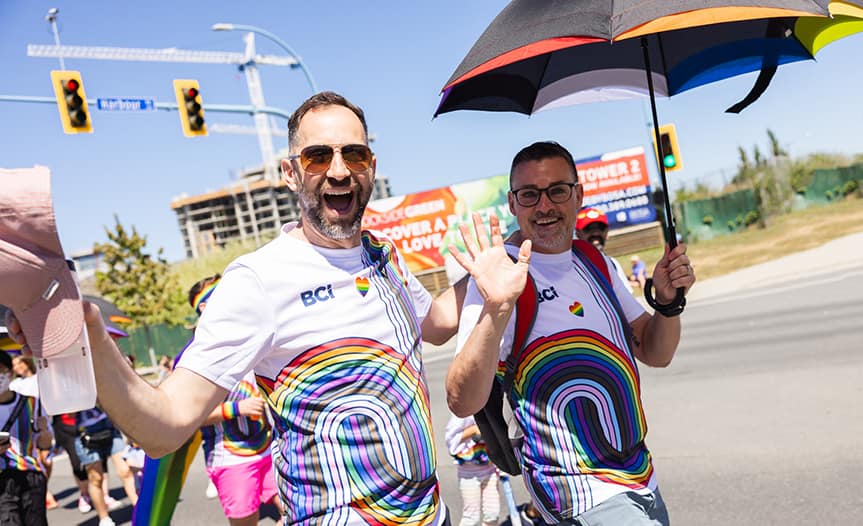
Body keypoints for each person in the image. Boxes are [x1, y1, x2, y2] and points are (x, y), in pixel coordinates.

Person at [6, 91, 470, 525]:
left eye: (354, 154)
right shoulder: (258, 280)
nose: (339, 171)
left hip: (432, 515)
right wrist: (91, 335)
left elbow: (437, 324)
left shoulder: (383, 254)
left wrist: (490, 270)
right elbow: (165, 426)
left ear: (371, 165)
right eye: (317, 156)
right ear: (290, 173)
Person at [446, 141, 696, 525]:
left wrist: (667, 303)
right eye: (529, 194)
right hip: (576, 489)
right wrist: (496, 309)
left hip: (639, 475)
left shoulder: (597, 262)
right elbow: (461, 401)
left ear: (578, 195)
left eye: (557, 190)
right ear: (512, 204)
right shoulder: (499, 277)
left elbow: (655, 352)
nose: (544, 205)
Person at [187, 274, 281, 525]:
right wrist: (237, 408)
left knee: (295, 512)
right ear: (204, 307)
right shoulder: (197, 357)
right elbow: (190, 416)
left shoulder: (252, 339)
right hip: (231, 461)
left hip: (269, 451)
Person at [0, 351, 53, 526]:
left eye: (0, 370)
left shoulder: (31, 403)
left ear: (10, 372)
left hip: (31, 473)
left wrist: (44, 431)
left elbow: (44, 444)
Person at [75, 407, 139, 526]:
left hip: (109, 426)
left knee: (126, 471)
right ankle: (104, 518)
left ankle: (140, 511)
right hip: (85, 432)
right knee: (96, 478)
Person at [444, 414, 499, 526]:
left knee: (493, 515)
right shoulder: (462, 415)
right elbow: (451, 438)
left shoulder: (489, 409)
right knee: (471, 517)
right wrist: (474, 430)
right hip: (468, 475)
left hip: (490, 471)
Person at [575, 207, 633, 293]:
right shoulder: (572, 268)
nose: (595, 233)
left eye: (601, 228)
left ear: (607, 232)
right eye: (588, 229)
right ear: (578, 233)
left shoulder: (612, 263)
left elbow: (626, 297)